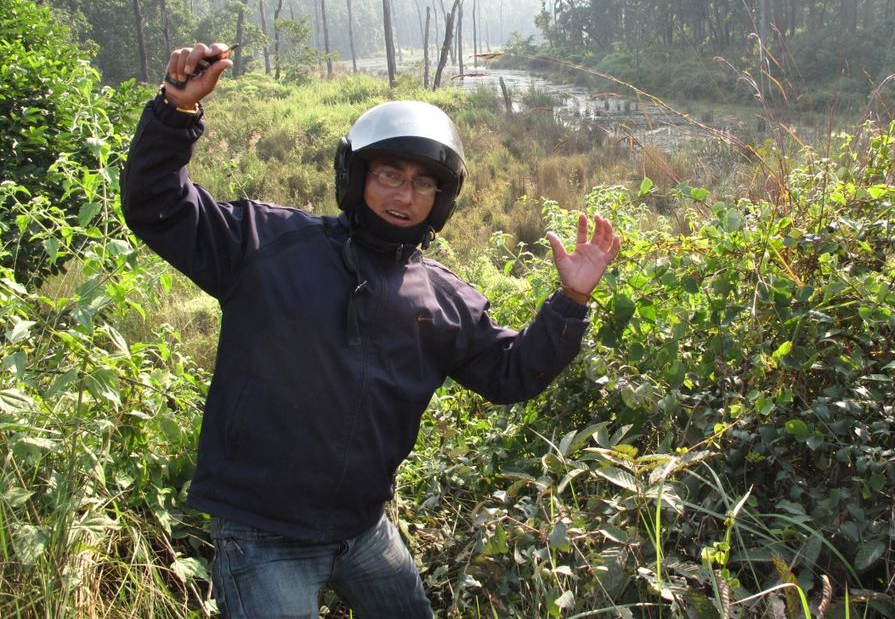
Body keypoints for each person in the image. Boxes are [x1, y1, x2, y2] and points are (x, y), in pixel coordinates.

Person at [120, 42, 620, 619]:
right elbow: (158, 205)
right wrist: (176, 112)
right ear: (355, 176)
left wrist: (571, 299)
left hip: (364, 530)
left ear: (441, 199)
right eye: (389, 174)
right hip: (263, 533)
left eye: (423, 184)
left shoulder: (441, 298)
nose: (404, 196)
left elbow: (510, 373)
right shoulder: (265, 245)